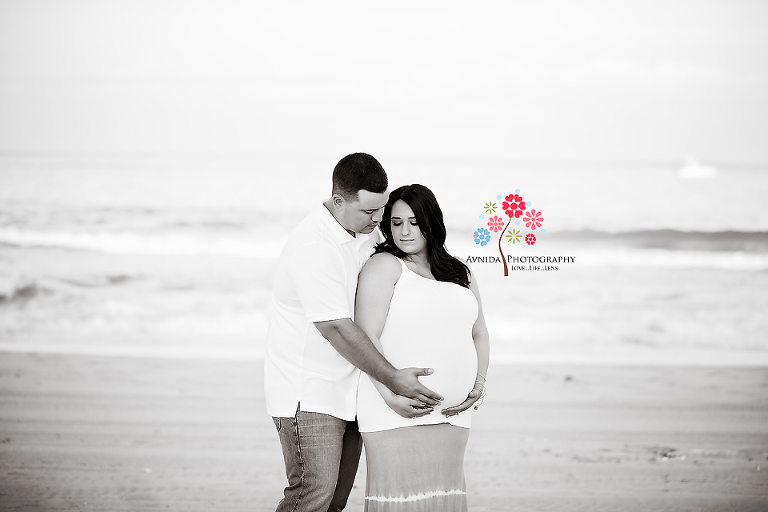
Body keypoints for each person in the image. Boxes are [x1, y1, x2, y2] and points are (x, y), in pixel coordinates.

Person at [264, 154, 444, 512]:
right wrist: (393, 378)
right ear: (339, 201)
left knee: (334, 503)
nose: (379, 220)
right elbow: (336, 329)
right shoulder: (315, 247)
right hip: (310, 392)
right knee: (311, 495)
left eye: (381, 210)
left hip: (351, 388)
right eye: (369, 212)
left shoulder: (363, 230)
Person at [355, 184, 490, 511]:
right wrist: (391, 398)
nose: (404, 231)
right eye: (396, 222)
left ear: (432, 222)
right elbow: (365, 336)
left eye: (414, 222)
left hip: (454, 417)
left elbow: (479, 333)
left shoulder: (460, 271)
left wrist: (478, 385)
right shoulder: (384, 266)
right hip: (395, 413)